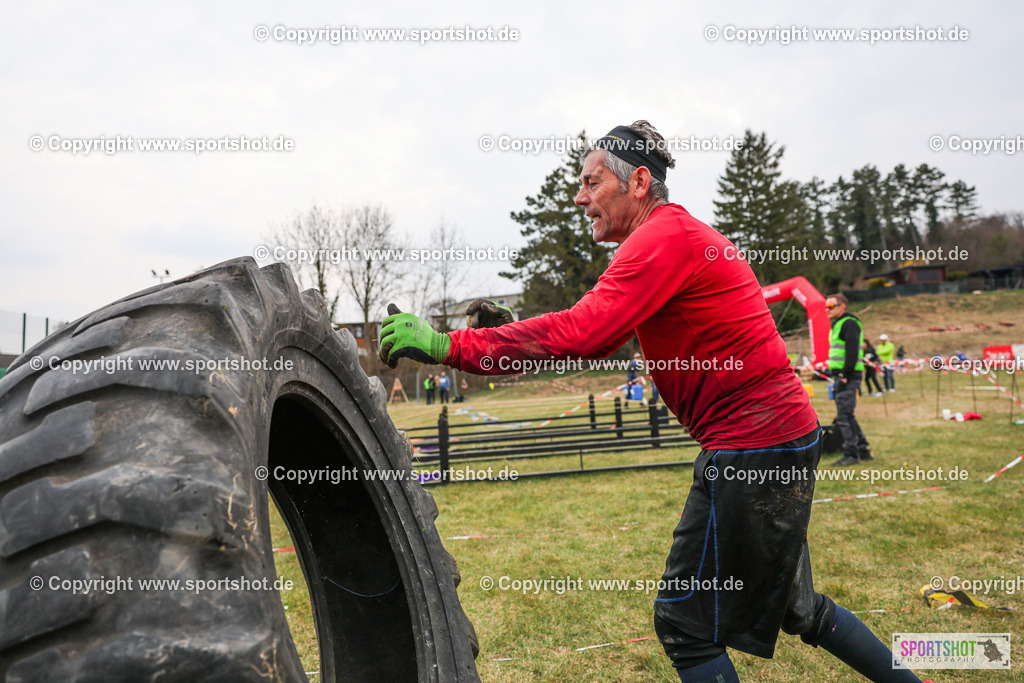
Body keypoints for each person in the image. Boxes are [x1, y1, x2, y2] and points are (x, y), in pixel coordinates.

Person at [378, 120, 923, 682]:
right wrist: (506, 333)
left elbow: (583, 331)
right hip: (775, 436)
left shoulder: (661, 239)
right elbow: (598, 336)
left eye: (591, 183)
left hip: (751, 446)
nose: (579, 196)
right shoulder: (669, 238)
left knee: (685, 626)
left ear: (638, 182)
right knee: (801, 608)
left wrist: (450, 346)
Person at [826, 294, 872, 466]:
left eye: (831, 306)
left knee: (844, 416)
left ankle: (852, 454)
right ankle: (863, 450)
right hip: (843, 375)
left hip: (848, 375)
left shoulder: (849, 323)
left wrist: (844, 374)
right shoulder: (838, 323)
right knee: (847, 414)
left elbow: (852, 351)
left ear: (842, 306)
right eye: (826, 306)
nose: (827, 309)